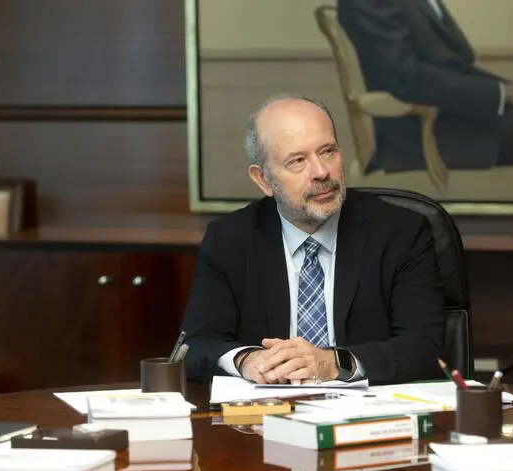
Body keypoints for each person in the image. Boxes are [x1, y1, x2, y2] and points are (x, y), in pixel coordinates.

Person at [180, 94, 446, 385]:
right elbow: (195, 347)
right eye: (298, 161)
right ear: (263, 180)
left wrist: (333, 363)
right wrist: (246, 360)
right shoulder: (230, 240)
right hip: (267, 409)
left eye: (328, 151)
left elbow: (425, 350)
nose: (321, 172)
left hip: (367, 409)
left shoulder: (401, 232)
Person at [336, 0, 513, 203]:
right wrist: (505, 94)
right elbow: (405, 79)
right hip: (431, 129)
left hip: (463, 113)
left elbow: (454, 66)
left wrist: (512, 91)